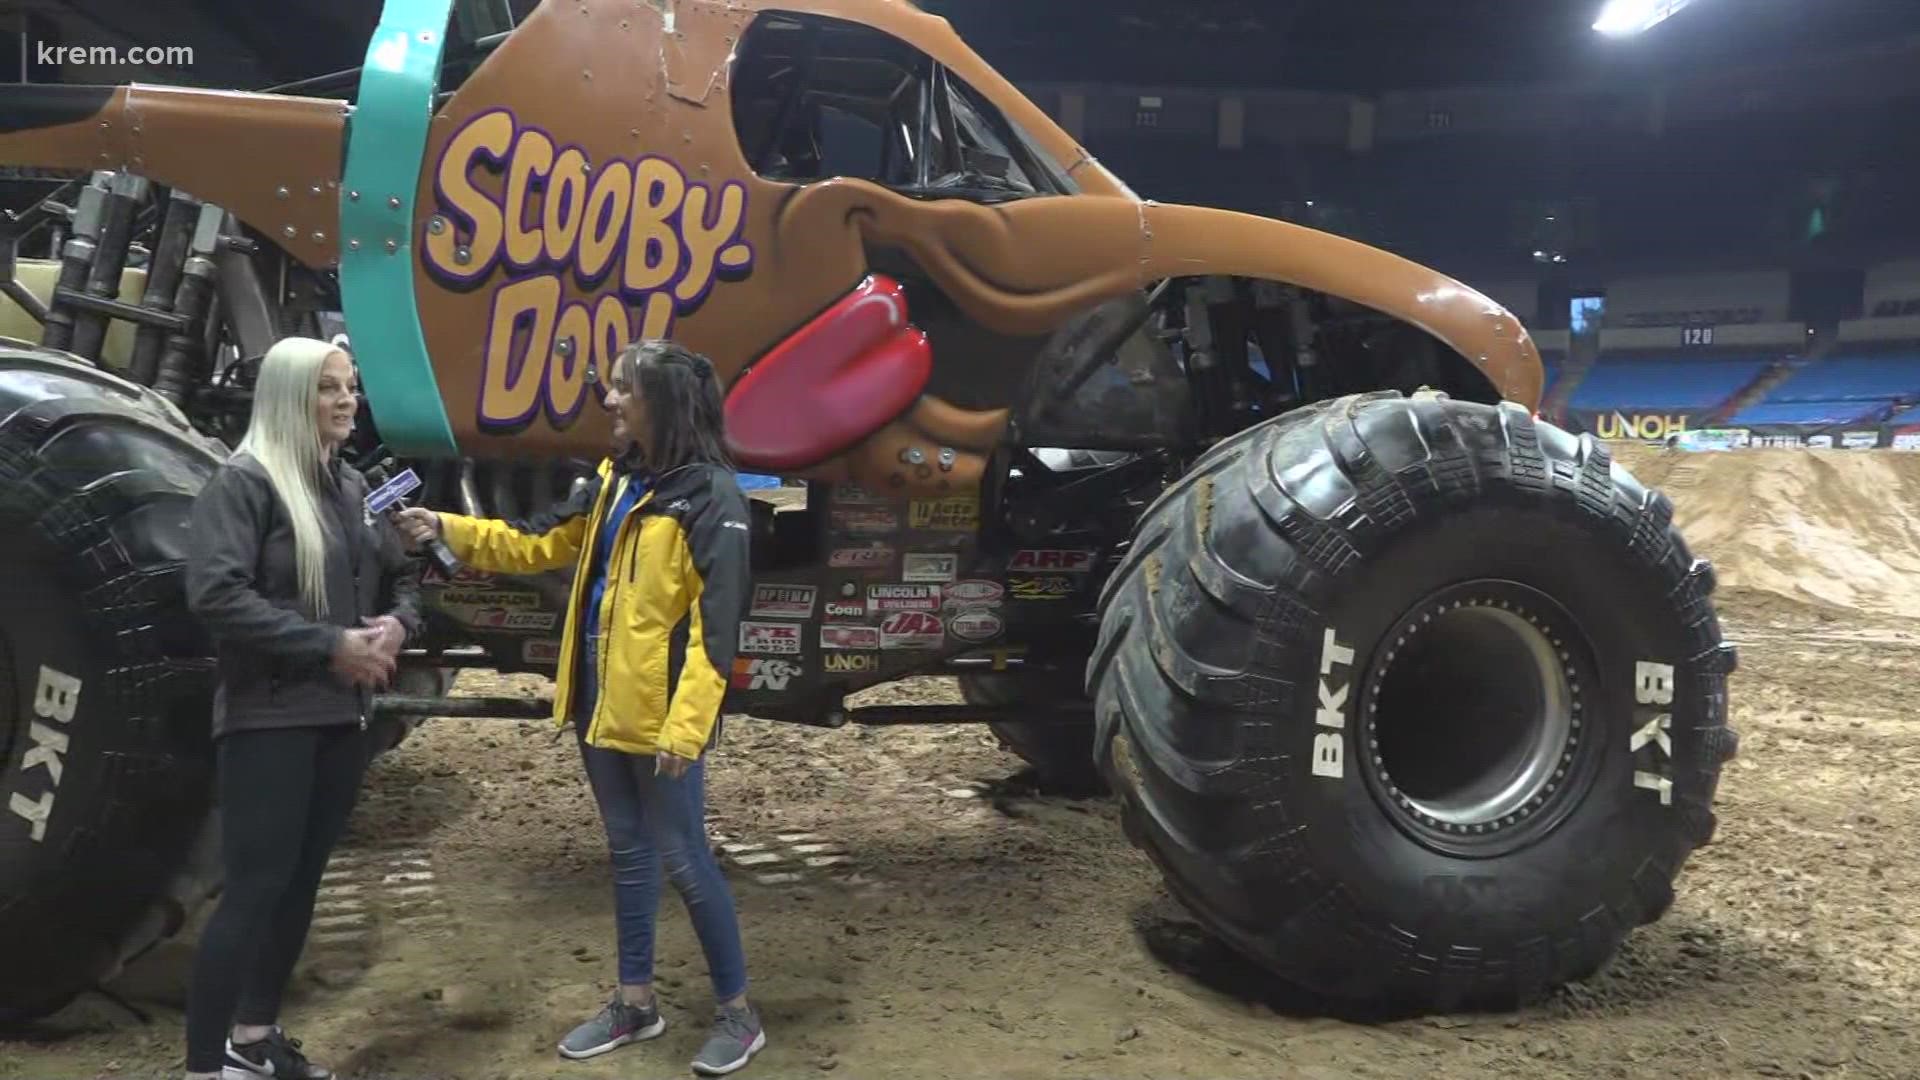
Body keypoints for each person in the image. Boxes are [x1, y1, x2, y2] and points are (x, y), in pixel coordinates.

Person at [394, 339, 764, 1076]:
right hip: (601, 708)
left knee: (686, 862)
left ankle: (739, 1016)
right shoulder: (613, 481)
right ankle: (636, 1002)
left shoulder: (711, 499)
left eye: (623, 390)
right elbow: (537, 546)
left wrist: (685, 730)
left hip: (660, 723)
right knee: (629, 855)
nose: (610, 402)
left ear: (659, 403)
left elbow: (717, 634)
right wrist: (448, 528)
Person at [180, 336, 423, 1080]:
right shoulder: (244, 484)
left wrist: (399, 623)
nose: (347, 401)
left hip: (340, 721)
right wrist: (330, 646)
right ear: (290, 396)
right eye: (328, 389)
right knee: (255, 890)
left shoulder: (348, 487)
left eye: (350, 387)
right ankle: (202, 1067)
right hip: (269, 718)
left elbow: (402, 583)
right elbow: (216, 596)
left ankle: (253, 1042)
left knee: (302, 882)